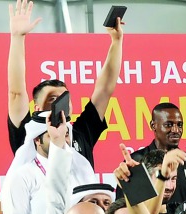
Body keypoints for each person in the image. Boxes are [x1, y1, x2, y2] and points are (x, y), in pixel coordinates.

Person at [7, 0, 121, 163]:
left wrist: (116, 42)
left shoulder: (81, 132)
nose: (62, 102)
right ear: (37, 108)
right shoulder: (28, 134)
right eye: (52, 99)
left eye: (65, 98)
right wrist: (17, 38)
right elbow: (16, 94)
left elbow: (104, 90)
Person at [131, 103, 186, 207]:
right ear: (153, 125)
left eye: (179, 125)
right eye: (168, 125)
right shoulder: (136, 161)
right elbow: (125, 209)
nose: (175, 130)